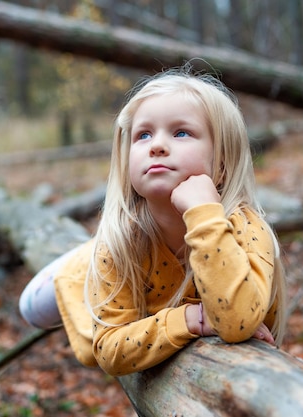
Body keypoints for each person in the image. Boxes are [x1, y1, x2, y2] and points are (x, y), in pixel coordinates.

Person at [20, 65, 287, 377]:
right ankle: (79, 261)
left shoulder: (246, 229)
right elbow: (109, 349)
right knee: (32, 309)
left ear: (222, 163)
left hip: (152, 299)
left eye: (181, 132)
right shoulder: (119, 242)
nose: (156, 145)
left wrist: (203, 216)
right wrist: (192, 320)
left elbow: (236, 322)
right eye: (143, 134)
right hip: (102, 265)